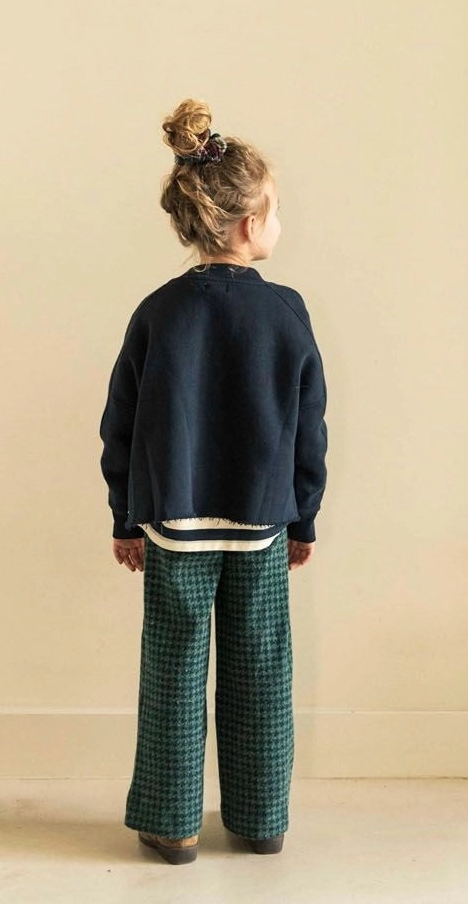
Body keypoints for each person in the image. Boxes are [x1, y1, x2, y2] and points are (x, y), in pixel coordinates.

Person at [98, 98, 329, 866]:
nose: (279, 223)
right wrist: (302, 518)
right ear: (248, 225)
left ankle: (172, 825)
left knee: (173, 668)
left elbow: (121, 426)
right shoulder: (287, 313)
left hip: (175, 526)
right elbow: (309, 427)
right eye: (276, 211)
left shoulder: (158, 313)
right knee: (261, 668)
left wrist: (127, 517)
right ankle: (261, 820)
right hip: (261, 526)